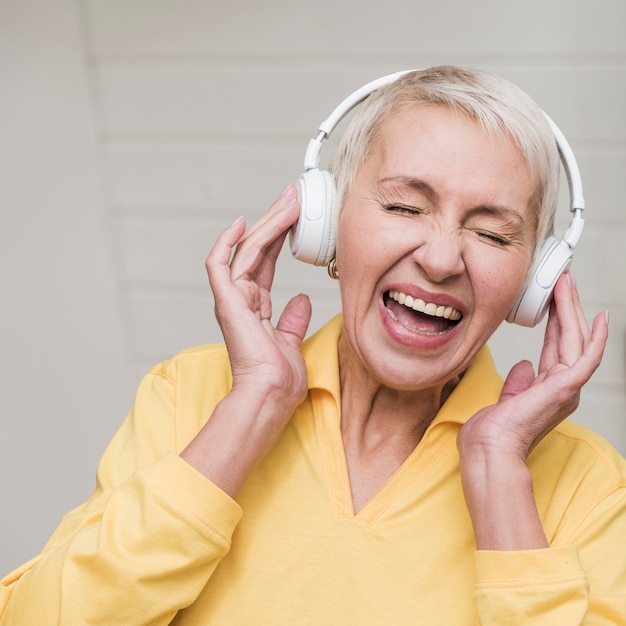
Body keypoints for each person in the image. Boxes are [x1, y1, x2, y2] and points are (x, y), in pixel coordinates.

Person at [1, 66, 624, 625]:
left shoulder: (588, 485)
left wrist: (499, 476)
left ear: (533, 283)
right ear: (325, 227)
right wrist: (251, 410)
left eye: (491, 232)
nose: (439, 260)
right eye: (405, 206)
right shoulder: (187, 397)